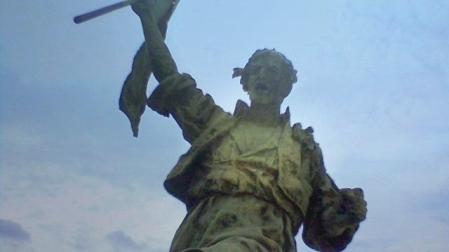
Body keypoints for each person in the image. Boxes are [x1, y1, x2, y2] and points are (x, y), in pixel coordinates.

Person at [131, 1, 367, 251]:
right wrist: (148, 20)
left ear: (287, 86)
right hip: (201, 234)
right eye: (257, 70)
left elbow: (322, 229)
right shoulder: (216, 126)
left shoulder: (303, 150)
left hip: (264, 241)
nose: (264, 76)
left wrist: (346, 213)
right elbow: (171, 77)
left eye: (273, 72)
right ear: (245, 81)